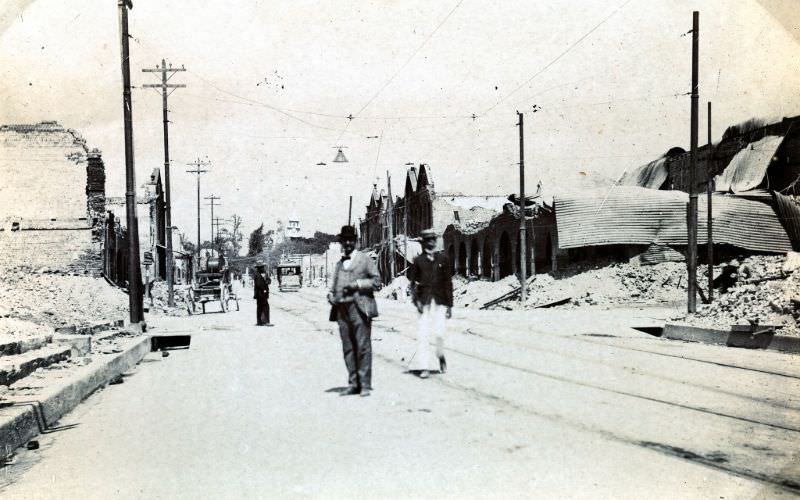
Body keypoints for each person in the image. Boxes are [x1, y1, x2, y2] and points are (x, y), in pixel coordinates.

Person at [327, 225, 381, 397]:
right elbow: (334, 286)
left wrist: (358, 284)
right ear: (341, 242)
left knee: (362, 346)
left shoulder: (364, 259)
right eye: (344, 240)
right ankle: (353, 383)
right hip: (341, 310)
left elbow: (377, 281)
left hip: (360, 308)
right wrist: (331, 295)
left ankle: (365, 384)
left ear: (355, 241)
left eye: (350, 240)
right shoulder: (339, 264)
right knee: (348, 347)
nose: (348, 243)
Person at [408, 228, 453, 379]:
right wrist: (417, 302)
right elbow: (412, 284)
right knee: (423, 334)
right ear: (423, 243)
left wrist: (449, 306)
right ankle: (424, 367)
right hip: (424, 302)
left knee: (439, 333)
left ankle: (440, 355)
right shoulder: (418, 261)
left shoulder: (443, 259)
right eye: (428, 240)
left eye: (433, 239)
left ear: (435, 241)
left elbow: (448, 283)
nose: (431, 242)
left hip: (440, 301)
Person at [253, 260, 273, 326]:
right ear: (258, 268)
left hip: (264, 293)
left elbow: (269, 280)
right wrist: (264, 288)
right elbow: (258, 284)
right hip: (260, 293)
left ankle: (260, 322)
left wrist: (268, 281)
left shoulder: (265, 273)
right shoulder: (256, 274)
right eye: (261, 267)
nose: (263, 268)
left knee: (260, 307)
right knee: (265, 307)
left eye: (263, 267)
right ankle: (266, 322)